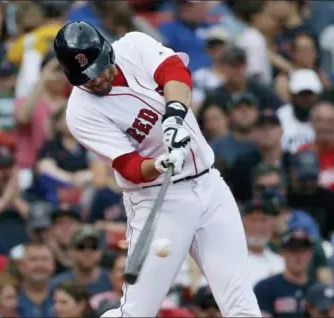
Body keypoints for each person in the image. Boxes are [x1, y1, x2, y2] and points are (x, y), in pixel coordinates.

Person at [54, 21, 261, 317]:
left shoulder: (134, 45)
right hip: (158, 200)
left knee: (240, 302)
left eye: (98, 69)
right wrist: (160, 164)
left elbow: (174, 70)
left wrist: (174, 117)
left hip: (209, 184)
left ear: (107, 51)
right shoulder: (80, 113)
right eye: (85, 78)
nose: (95, 80)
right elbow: (129, 166)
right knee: (137, 313)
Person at [254, 229, 316, 318]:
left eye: (302, 251)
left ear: (310, 254)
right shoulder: (265, 287)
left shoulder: (319, 290)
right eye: (293, 250)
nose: (298, 256)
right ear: (282, 253)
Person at [50, 225, 112, 296]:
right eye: (81, 246)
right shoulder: (57, 284)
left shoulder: (113, 281)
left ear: (100, 252)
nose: (87, 252)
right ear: (71, 251)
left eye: (93, 246)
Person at [287, 150, 334, 240]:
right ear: (292, 172)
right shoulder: (285, 196)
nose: (309, 183)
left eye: (312, 178)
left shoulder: (328, 198)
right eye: (304, 179)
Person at [211, 92, 259, 176]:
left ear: (257, 112)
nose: (244, 112)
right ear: (230, 115)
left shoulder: (266, 144)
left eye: (249, 107)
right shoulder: (218, 146)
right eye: (239, 108)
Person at [276, 69, 323, 153]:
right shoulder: (279, 117)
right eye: (302, 94)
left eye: (309, 94)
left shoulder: (326, 118)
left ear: (317, 96)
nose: (306, 99)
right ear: (292, 95)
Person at [240, 200, 285, 287]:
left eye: (263, 220)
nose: (258, 226)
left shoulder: (281, 263)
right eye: (252, 220)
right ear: (241, 224)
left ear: (271, 225)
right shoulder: (230, 261)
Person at [298, 101, 334, 191]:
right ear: (311, 124)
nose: (325, 126)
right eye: (319, 120)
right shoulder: (302, 153)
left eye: (331, 121)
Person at [18, 243, 55, 318]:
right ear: (21, 266)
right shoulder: (10, 298)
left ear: (53, 265)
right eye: (33, 259)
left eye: (45, 259)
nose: (40, 264)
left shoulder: (65, 296)